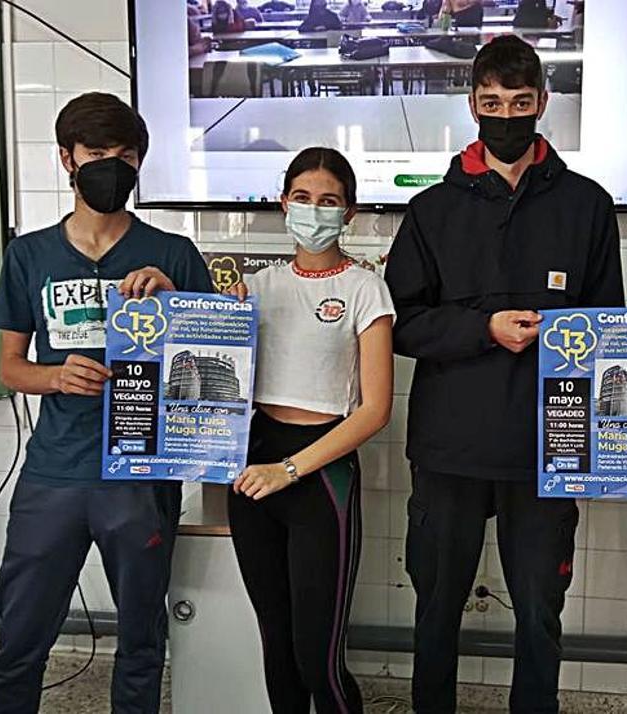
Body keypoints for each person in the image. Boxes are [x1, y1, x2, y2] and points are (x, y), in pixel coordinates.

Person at [385, 35, 623, 714]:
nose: (507, 116)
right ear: (473, 106)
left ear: (544, 103)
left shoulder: (586, 205)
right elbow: (401, 323)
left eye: (521, 103)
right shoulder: (432, 210)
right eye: (492, 103)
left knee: (540, 614)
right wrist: (482, 328)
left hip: (547, 448)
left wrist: (594, 334)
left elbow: (607, 326)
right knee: (436, 610)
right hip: (449, 446)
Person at [0, 93, 213, 714]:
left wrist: (176, 304)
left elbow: (214, 377)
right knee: (21, 636)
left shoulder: (174, 254)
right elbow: (9, 367)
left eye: (125, 155)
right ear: (67, 159)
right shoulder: (29, 255)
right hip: (55, 473)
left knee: (142, 637)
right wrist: (55, 378)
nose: (111, 165)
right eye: (96, 154)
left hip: (140, 475)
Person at [226, 148, 395, 714]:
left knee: (315, 657)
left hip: (320, 473)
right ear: (283, 203)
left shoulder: (365, 288)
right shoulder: (259, 287)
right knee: (275, 643)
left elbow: (375, 410)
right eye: (302, 198)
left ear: (348, 213)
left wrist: (290, 470)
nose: (314, 210)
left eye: (329, 201)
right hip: (255, 466)